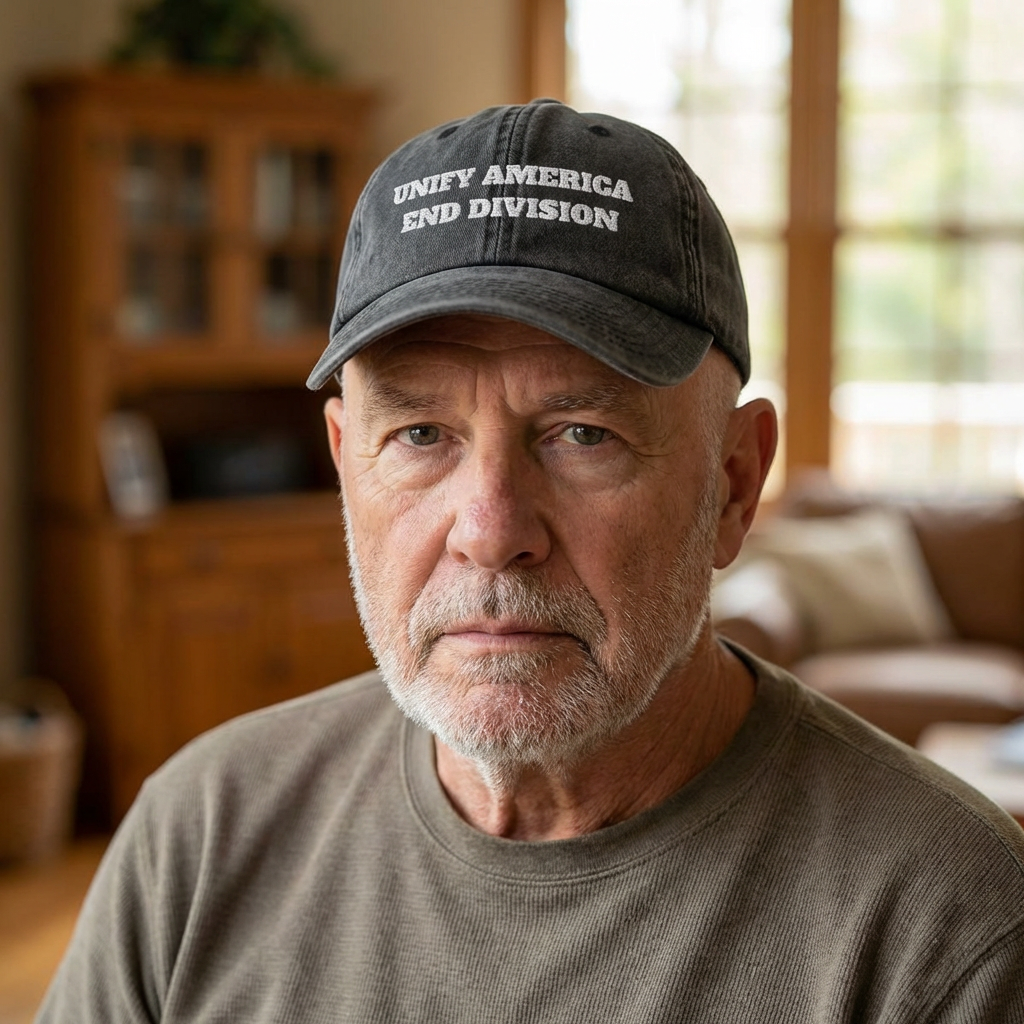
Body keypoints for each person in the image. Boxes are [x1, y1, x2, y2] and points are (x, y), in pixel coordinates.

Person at [40, 100, 1024, 1023]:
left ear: (732, 482)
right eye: (421, 432)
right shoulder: (200, 839)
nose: (490, 527)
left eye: (582, 434)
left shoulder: (949, 921)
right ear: (345, 464)